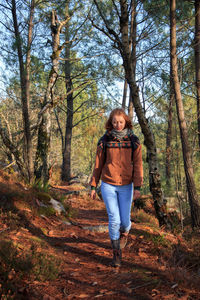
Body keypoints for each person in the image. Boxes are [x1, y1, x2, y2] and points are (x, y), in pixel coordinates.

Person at [90, 108, 143, 267]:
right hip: (108, 184)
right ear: (110, 123)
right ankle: (116, 254)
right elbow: (98, 164)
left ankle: (125, 233)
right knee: (114, 219)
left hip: (126, 185)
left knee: (125, 222)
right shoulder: (104, 140)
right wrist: (93, 185)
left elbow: (138, 165)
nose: (118, 125)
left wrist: (138, 186)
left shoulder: (134, 141)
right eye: (114, 122)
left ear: (126, 121)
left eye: (120, 122)